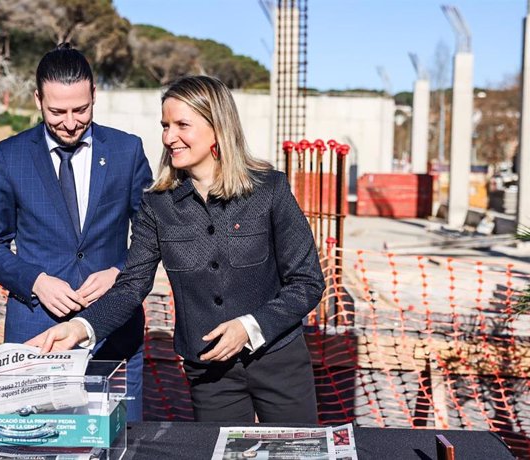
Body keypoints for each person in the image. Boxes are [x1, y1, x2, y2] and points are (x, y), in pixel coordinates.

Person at [26, 75, 324, 423]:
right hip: (210, 372)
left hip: (280, 361)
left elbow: (307, 282)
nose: (169, 137)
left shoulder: (268, 190)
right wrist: (79, 328)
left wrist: (250, 326)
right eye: (165, 125)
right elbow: (131, 286)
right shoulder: (156, 206)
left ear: (218, 127)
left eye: (182, 124)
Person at [0, 43, 152, 421]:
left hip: (114, 330)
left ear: (94, 96)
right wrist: (36, 280)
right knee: (34, 444)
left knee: (122, 443)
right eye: (57, 111)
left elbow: (154, 235)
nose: (70, 122)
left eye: (80, 109)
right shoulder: (10, 156)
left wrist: (120, 272)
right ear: (38, 99)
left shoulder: (127, 151)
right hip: (36, 332)